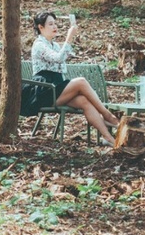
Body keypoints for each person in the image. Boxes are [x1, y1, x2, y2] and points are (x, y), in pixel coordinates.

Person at [31, 11, 119, 145]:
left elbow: (61, 67)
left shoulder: (54, 45)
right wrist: (69, 38)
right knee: (81, 82)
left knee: (84, 101)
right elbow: (58, 59)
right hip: (45, 90)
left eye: (55, 23)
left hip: (56, 87)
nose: (55, 27)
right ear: (40, 27)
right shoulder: (39, 45)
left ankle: (108, 138)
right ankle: (108, 116)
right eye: (50, 24)